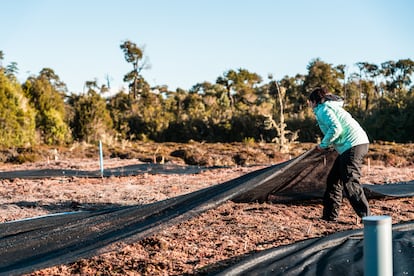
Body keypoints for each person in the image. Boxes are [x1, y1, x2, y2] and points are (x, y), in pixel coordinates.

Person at [308, 87, 371, 222]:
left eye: (310, 102)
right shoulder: (330, 107)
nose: (310, 105)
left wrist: (323, 145)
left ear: (314, 101)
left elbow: (336, 128)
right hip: (354, 144)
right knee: (333, 180)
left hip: (354, 145)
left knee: (350, 181)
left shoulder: (323, 109)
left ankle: (367, 218)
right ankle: (329, 217)